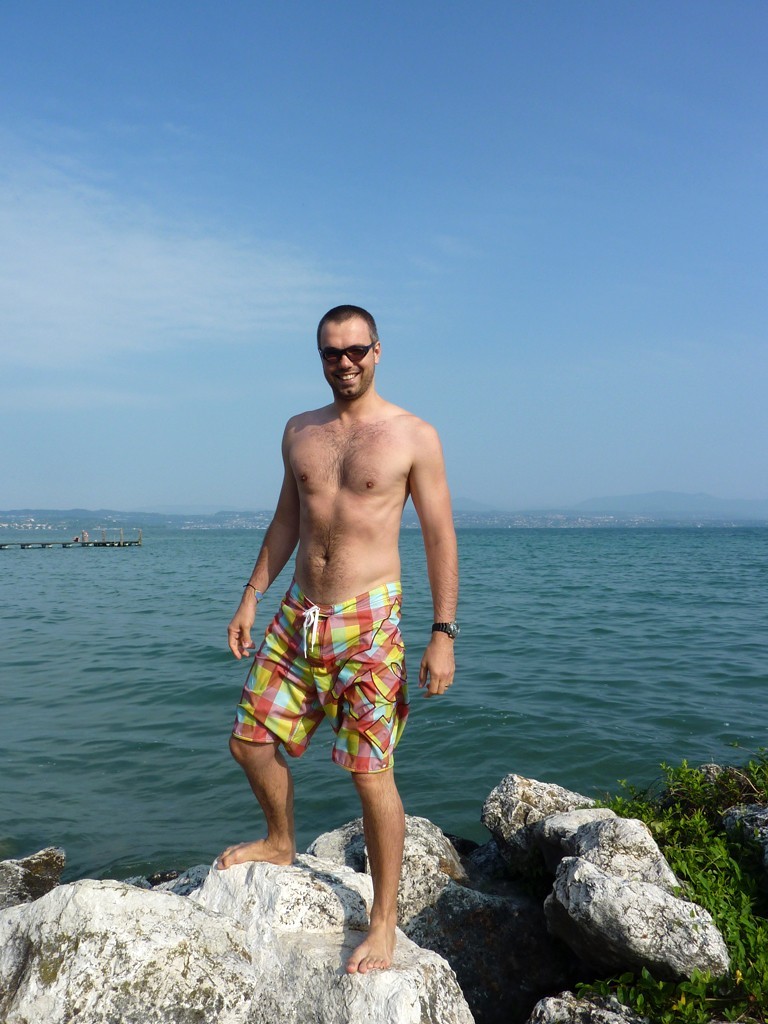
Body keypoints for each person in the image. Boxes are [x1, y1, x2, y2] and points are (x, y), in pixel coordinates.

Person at [218, 304, 459, 975]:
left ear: (377, 351)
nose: (344, 362)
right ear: (320, 357)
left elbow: (439, 537)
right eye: (332, 352)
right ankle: (280, 841)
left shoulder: (413, 436)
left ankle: (382, 922)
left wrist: (443, 633)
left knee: (370, 772)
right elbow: (286, 520)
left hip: (369, 622)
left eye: (356, 350)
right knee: (249, 741)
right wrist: (251, 594)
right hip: (298, 613)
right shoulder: (300, 431)